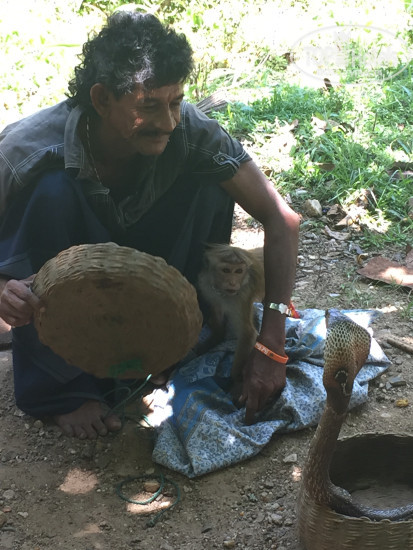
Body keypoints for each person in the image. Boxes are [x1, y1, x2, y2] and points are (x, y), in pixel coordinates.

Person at [0, 11, 300, 439]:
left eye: (175, 102)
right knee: (48, 193)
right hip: (68, 274)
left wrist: (272, 344)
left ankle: (171, 348)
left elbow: (281, 220)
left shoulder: (192, 132)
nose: (169, 122)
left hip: (152, 262)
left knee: (212, 182)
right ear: (102, 99)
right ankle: (64, 389)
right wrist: (3, 291)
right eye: (149, 106)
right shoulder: (25, 149)